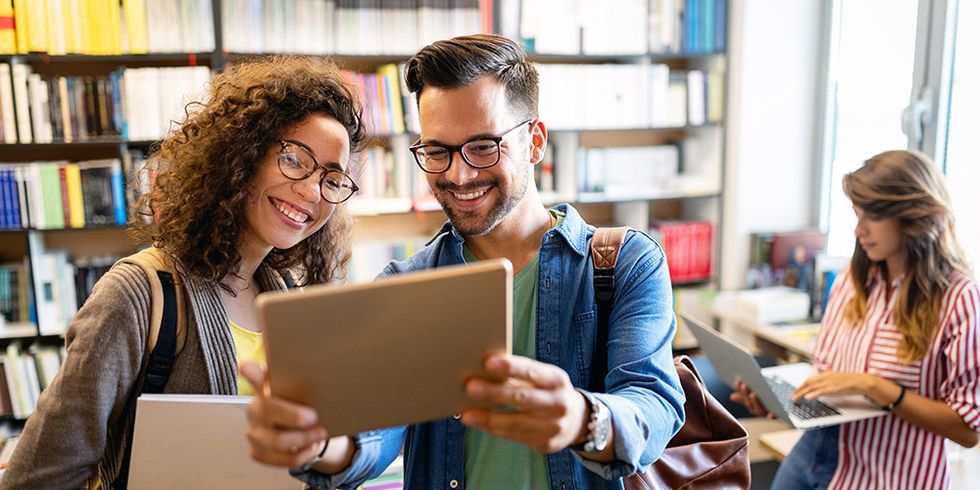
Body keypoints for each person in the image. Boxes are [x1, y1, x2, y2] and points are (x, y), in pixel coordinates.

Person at [242, 34, 686, 489]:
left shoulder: (624, 262)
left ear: (534, 142)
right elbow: (375, 430)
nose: (458, 174)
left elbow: (654, 404)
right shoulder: (403, 287)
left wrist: (582, 419)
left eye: (483, 146)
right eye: (437, 151)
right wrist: (318, 444)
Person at [0, 55, 364, 488]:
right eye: (294, 159)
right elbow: (39, 477)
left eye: (332, 178)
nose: (310, 190)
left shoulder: (289, 299)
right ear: (243, 155)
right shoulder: (137, 292)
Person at [732, 149, 980, 489]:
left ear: (913, 215)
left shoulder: (959, 297)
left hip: (892, 475)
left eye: (872, 217)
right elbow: (830, 381)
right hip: (813, 456)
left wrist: (876, 387)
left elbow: (967, 429)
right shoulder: (852, 279)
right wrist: (776, 403)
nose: (859, 230)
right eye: (855, 215)